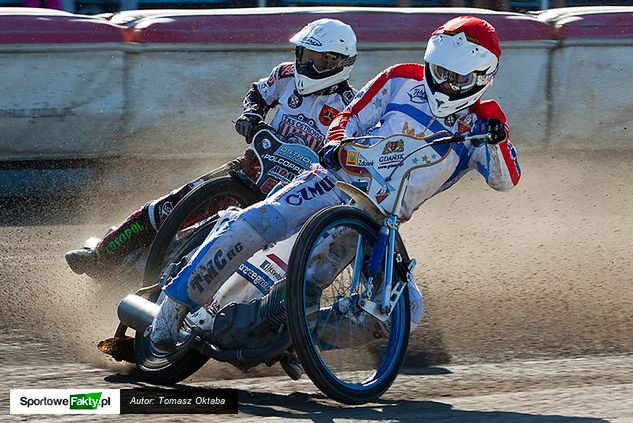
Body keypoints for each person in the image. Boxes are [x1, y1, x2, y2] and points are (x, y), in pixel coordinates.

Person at [149, 16, 522, 354]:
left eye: (455, 78)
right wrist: (336, 143)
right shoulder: (400, 78)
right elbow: (351, 115)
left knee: (404, 312)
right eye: (438, 70)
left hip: (381, 224)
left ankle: (298, 342)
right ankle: (175, 304)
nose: (443, 82)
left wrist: (497, 136)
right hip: (335, 180)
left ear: (482, 77)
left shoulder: (483, 126)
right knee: (263, 219)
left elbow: (507, 180)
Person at [65, 18, 358, 279]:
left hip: (287, 199)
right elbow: (258, 93)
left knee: (228, 248)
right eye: (303, 55)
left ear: (338, 63)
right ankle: (103, 255)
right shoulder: (285, 75)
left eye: (315, 59)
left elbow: (347, 158)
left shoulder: (350, 106)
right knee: (170, 206)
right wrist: (252, 116)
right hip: (248, 170)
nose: (304, 65)